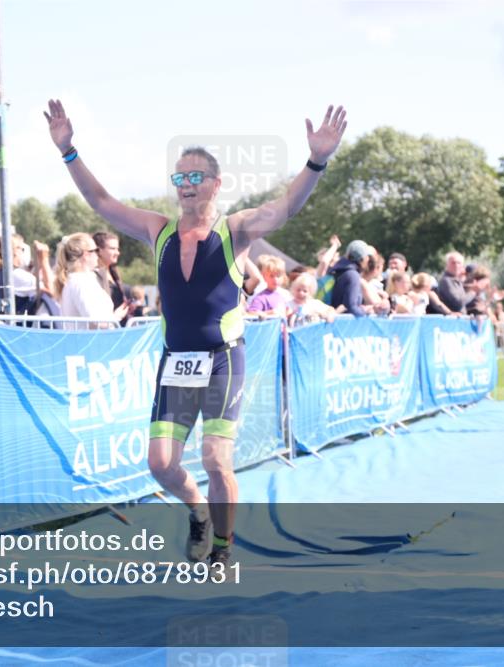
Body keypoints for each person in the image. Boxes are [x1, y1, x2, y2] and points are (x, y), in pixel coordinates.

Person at [45, 98, 347, 566]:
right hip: (177, 362)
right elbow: (102, 202)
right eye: (179, 178)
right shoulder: (158, 230)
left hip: (223, 358)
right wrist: (68, 151)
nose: (186, 185)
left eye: (195, 177)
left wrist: (317, 160)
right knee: (161, 464)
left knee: (215, 459)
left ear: (216, 183)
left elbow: (284, 208)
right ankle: (200, 511)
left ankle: (223, 549)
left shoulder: (236, 229)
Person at [54, 232, 128, 328]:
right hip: (91, 337)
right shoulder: (81, 282)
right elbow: (96, 321)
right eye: (96, 250)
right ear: (86, 254)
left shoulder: (76, 280)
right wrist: (116, 316)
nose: (98, 254)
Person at [329, 239, 372, 316]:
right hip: (343, 322)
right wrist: (365, 312)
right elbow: (351, 307)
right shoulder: (353, 275)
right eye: (367, 256)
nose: (368, 259)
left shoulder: (337, 271)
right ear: (361, 259)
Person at [93, 231, 126, 310]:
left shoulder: (114, 273)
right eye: (112, 249)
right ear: (99, 250)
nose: (117, 253)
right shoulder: (92, 275)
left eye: (117, 249)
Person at [431, 251, 466, 315]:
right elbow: (458, 303)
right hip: (452, 319)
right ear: (447, 265)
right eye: (453, 263)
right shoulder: (446, 281)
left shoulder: (457, 280)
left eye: (459, 263)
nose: (456, 265)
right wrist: (473, 291)